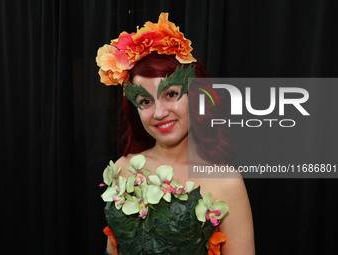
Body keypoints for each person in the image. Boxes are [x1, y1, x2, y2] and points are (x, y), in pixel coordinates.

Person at [96, 13, 255, 255]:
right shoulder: (123, 169)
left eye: (170, 94)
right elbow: (113, 247)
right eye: (145, 101)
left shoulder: (225, 181)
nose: (159, 113)